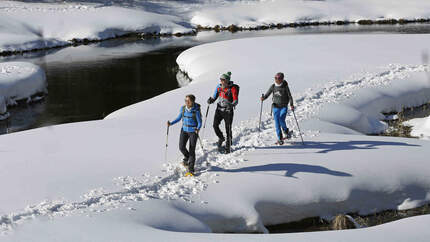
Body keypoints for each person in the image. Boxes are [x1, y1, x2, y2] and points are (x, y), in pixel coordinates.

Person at [167, 94, 202, 174]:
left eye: (188, 101)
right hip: (184, 130)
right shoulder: (183, 109)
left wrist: (198, 128)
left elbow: (200, 122)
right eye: (185, 100)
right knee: (181, 147)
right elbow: (179, 118)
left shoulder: (196, 111)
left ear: (192, 101)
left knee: (192, 150)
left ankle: (191, 169)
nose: (186, 102)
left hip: (193, 131)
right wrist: (171, 123)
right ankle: (187, 157)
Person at [207, 72, 238, 153]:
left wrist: (231, 105)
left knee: (228, 128)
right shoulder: (219, 87)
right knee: (215, 125)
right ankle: (221, 138)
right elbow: (215, 96)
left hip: (228, 111)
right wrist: (211, 100)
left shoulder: (232, 89)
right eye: (221, 79)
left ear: (227, 80)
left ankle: (228, 146)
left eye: (223, 80)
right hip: (219, 109)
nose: (221, 81)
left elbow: (236, 100)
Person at [261, 72, 295, 145]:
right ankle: (280, 138)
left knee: (281, 119)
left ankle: (286, 131)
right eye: (275, 78)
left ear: (282, 79)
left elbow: (290, 96)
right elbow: (267, 94)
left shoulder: (285, 86)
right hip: (275, 107)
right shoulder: (273, 86)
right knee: (277, 123)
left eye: (278, 78)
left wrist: (291, 104)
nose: (277, 80)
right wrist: (263, 98)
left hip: (283, 107)